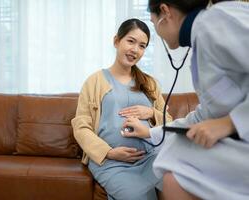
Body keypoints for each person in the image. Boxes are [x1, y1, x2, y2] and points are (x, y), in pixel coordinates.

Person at [123, 0, 249, 199]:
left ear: (165, 12)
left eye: (154, 22)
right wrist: (150, 132)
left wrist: (229, 123)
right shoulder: (202, 40)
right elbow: (204, 115)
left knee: (173, 164)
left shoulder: (216, 22)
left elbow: (217, 119)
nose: (157, 32)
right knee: (172, 171)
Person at [71, 18, 172, 200]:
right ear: (117, 41)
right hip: (110, 162)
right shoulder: (95, 81)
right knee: (138, 196)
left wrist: (151, 113)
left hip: (150, 157)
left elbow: (169, 122)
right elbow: (81, 126)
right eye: (131, 41)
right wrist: (108, 152)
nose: (135, 50)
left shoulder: (150, 83)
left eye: (142, 46)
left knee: (183, 185)